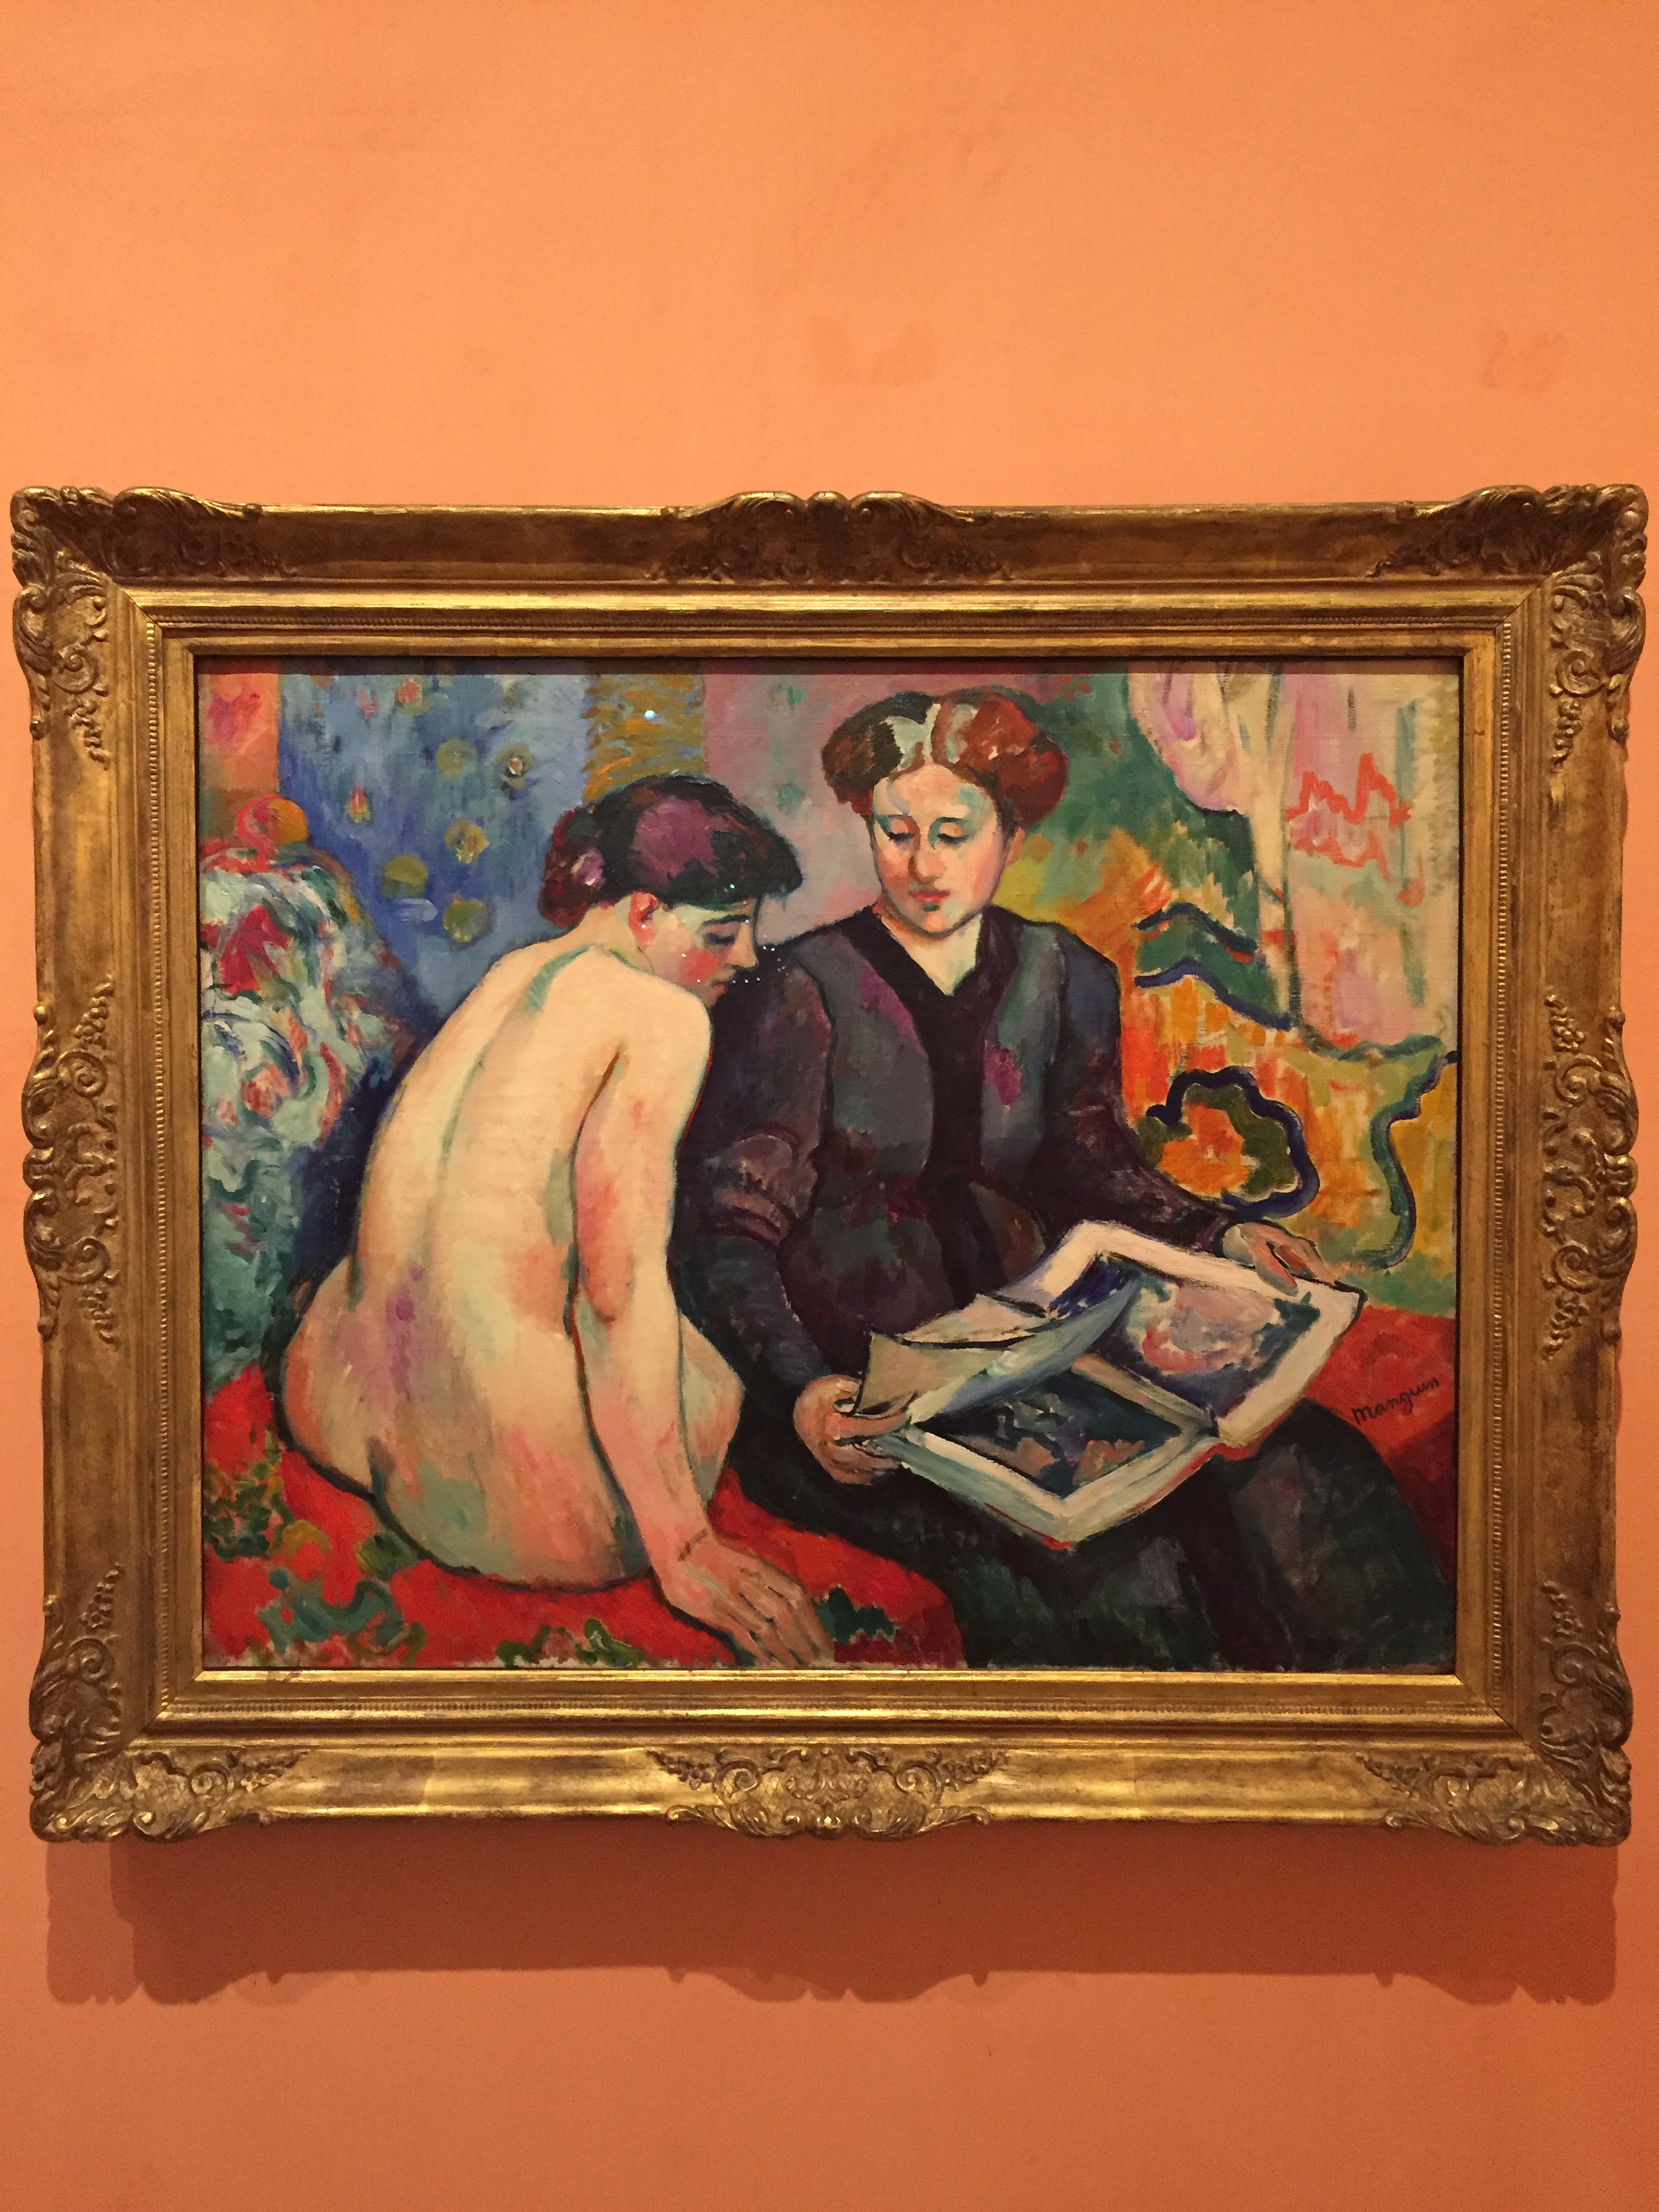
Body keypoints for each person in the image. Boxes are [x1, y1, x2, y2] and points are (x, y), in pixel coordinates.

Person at [674, 689, 1454, 1668]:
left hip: (1042, 1353)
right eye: (896, 833)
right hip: (866, 1399)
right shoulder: (794, 992)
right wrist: (803, 1392)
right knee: (1128, 1579)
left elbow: (1092, 1170)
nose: (923, 866)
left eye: (953, 834)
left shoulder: (1063, 974)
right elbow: (723, 1237)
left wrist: (1218, 1235)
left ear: (1010, 833)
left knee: (1311, 1478)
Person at [283, 774, 834, 1667]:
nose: (745, 959)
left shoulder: (515, 974)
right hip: (508, 1507)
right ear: (645, 913)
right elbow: (616, 1294)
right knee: (710, 1371)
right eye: (722, 934)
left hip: (338, 1405)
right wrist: (685, 1548)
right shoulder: (663, 1017)